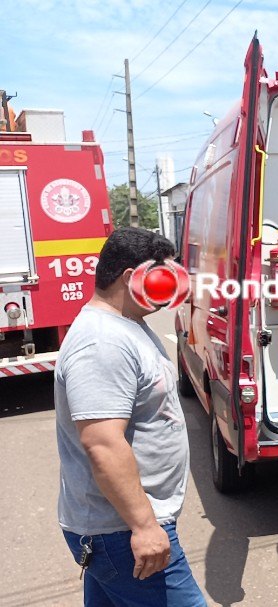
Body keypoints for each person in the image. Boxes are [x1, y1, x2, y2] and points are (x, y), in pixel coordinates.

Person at [54, 227, 207, 606]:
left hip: (118, 526)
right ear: (130, 277)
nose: (168, 287)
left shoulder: (125, 324)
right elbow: (102, 444)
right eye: (161, 276)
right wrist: (143, 526)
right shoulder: (102, 343)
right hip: (120, 529)